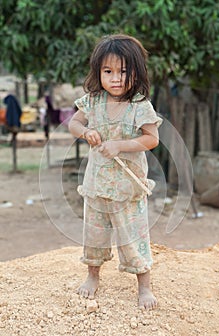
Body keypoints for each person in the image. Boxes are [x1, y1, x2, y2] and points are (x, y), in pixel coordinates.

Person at [69, 34, 163, 310]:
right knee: (94, 233)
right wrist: (86, 131)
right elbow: (73, 123)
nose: (116, 78)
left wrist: (120, 146)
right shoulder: (93, 101)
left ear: (136, 71)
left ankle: (144, 286)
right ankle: (92, 277)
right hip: (97, 184)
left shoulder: (140, 106)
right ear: (98, 73)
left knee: (133, 236)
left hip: (128, 188)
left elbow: (152, 139)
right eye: (108, 71)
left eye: (123, 71)